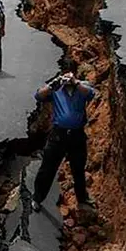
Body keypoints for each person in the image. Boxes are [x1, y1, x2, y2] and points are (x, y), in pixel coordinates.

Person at [31, 73, 97, 212]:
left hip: (77, 135)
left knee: (78, 169)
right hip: (58, 135)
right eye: (64, 79)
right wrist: (51, 85)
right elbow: (38, 96)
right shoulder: (56, 90)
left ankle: (82, 199)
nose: (66, 82)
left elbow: (91, 93)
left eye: (69, 79)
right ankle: (37, 198)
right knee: (47, 168)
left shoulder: (81, 88)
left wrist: (76, 83)